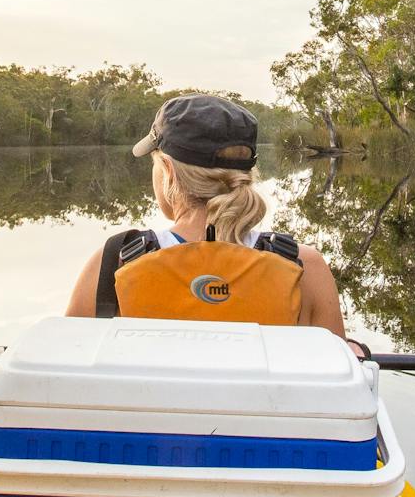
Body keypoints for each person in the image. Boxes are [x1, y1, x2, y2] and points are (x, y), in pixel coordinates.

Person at [65, 93, 347, 336]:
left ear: (168, 172)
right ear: (246, 174)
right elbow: (336, 374)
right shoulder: (304, 267)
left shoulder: (114, 262)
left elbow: (65, 364)